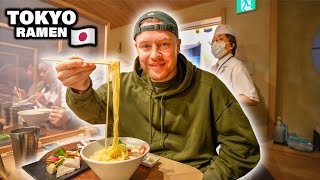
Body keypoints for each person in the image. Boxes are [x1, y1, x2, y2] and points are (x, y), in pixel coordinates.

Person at [55, 11, 260, 179]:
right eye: (145, 46)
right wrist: (80, 87)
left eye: (164, 44)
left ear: (177, 46)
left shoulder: (209, 87)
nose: (155, 55)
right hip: (132, 172)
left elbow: (242, 148)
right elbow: (93, 110)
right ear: (137, 48)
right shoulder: (122, 84)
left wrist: (209, 178)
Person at [210, 24, 259, 106]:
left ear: (232, 45)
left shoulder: (237, 66)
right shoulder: (213, 68)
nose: (215, 43)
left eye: (220, 39)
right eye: (213, 41)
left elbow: (251, 98)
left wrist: (224, 96)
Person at [33, 62, 90, 130]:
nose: (41, 75)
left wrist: (46, 103)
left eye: (44, 71)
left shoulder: (65, 89)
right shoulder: (47, 89)